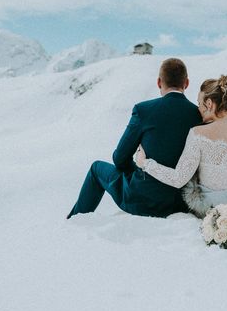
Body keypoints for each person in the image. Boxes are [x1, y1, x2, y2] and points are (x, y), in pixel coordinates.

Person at [136, 75, 227, 237]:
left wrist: (146, 163)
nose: (198, 108)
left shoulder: (198, 133)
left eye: (199, 103)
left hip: (208, 212)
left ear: (209, 104)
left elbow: (179, 178)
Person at [67, 58, 202, 219]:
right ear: (186, 83)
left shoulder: (144, 110)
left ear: (159, 82)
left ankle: (74, 221)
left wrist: (141, 167)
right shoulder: (198, 115)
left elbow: (120, 158)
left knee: (96, 168)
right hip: (180, 203)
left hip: (142, 200)